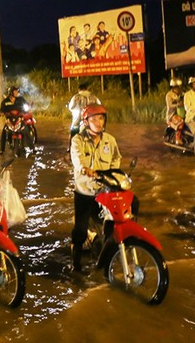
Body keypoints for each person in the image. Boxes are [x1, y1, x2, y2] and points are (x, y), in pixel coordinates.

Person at [69, 104, 127, 272]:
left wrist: (113, 172)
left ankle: (106, 261)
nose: (98, 122)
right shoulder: (77, 140)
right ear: (86, 122)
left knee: (111, 226)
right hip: (85, 192)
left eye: (101, 118)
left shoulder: (110, 139)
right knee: (79, 230)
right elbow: (77, 159)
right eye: (93, 118)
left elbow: (117, 157)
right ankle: (76, 263)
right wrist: (85, 169)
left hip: (105, 192)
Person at [67, 83, 101, 150]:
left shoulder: (76, 97)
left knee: (73, 133)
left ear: (79, 89)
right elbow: (99, 105)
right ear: (87, 89)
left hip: (78, 120)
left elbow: (71, 107)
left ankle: (70, 147)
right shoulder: (93, 97)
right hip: (91, 120)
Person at [0, 86, 31, 154]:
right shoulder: (5, 101)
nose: (17, 93)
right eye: (15, 91)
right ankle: (2, 149)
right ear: (11, 93)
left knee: (26, 131)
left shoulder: (21, 99)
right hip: (9, 120)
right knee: (4, 133)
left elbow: (26, 106)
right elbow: (1, 110)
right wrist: (1, 113)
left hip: (19, 119)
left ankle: (32, 148)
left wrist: (27, 109)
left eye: (17, 91)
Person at [165, 78, 185, 145]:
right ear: (172, 87)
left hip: (182, 113)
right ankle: (177, 138)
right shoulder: (169, 95)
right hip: (172, 115)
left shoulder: (181, 94)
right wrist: (178, 105)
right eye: (176, 87)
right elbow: (170, 105)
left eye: (179, 87)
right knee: (181, 122)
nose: (178, 89)